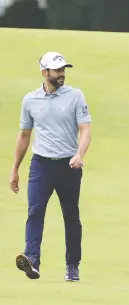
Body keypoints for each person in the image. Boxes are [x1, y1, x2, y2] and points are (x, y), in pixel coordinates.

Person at [9, 52, 92, 282]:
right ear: (44, 72)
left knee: (71, 216)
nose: (61, 74)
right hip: (41, 164)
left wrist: (80, 153)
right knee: (35, 211)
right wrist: (15, 168)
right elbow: (24, 135)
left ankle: (72, 265)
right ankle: (32, 260)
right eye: (56, 71)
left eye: (63, 70)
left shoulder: (75, 96)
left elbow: (85, 129)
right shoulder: (30, 100)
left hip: (69, 165)